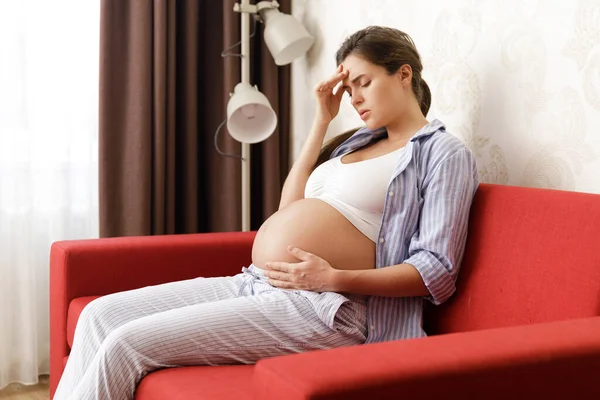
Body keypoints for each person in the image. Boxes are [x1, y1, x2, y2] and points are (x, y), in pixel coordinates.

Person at [54, 26, 479, 400]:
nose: (355, 99)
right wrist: (321, 121)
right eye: (349, 91)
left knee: (127, 344)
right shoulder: (357, 143)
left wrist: (332, 278)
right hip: (257, 284)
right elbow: (289, 211)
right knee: (99, 315)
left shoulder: (442, 153)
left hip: (328, 307)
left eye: (364, 83)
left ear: (403, 73)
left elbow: (436, 272)